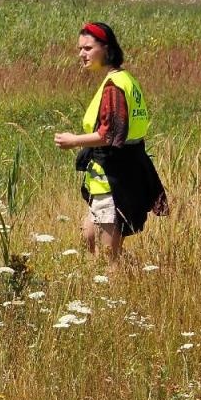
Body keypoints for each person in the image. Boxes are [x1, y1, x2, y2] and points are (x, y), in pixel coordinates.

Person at [53, 21, 167, 261]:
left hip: (115, 176)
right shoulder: (126, 79)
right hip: (121, 172)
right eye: (79, 49)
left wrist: (74, 141)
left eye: (87, 48)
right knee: (89, 235)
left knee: (107, 256)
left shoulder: (115, 86)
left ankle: (117, 287)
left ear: (106, 48)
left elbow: (111, 134)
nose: (81, 54)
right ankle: (130, 274)